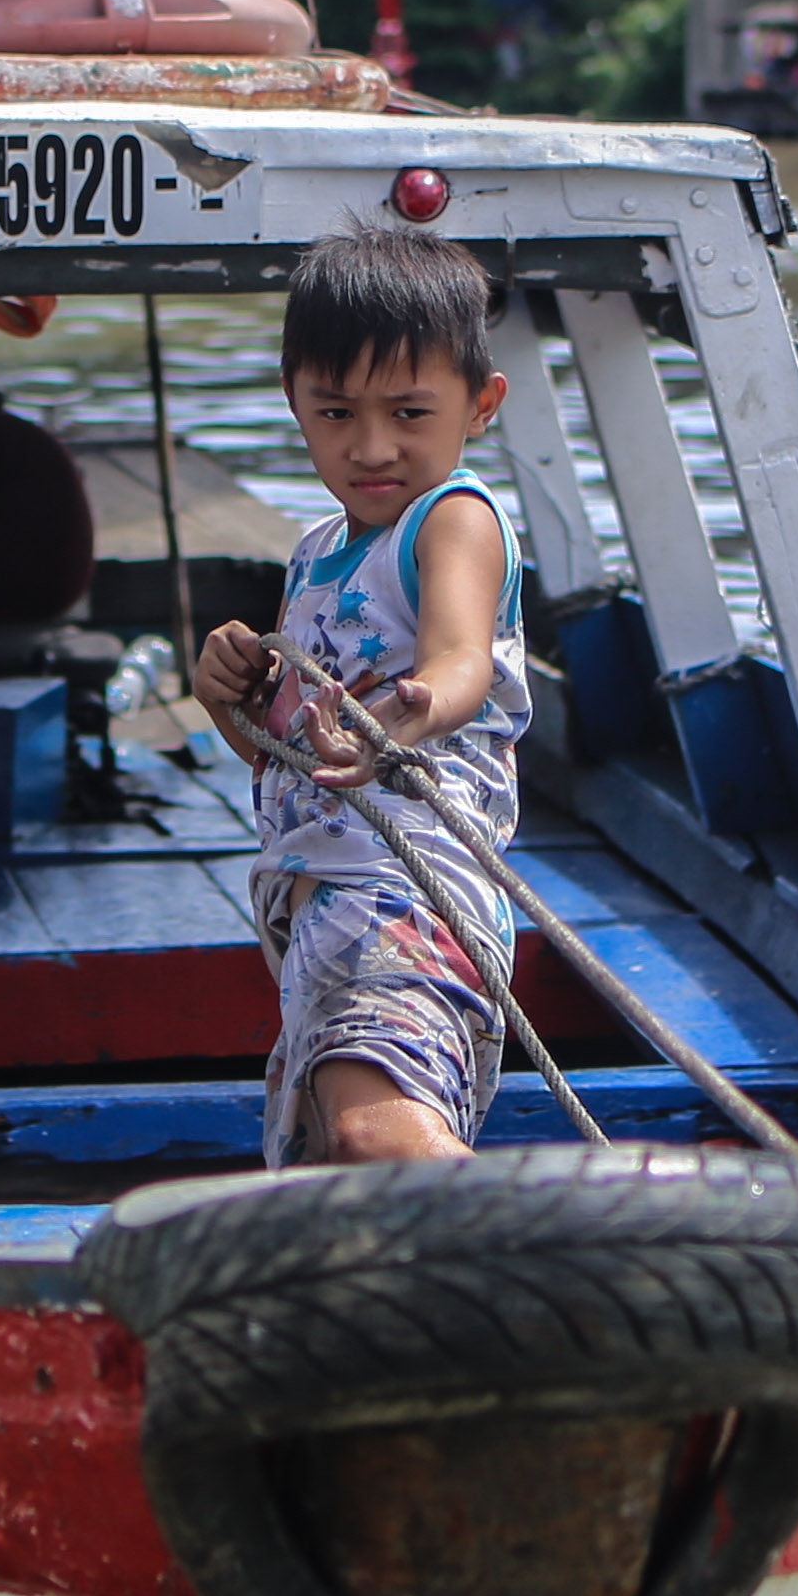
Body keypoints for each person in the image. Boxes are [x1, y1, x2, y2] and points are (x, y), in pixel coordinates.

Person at [190, 226, 529, 1168]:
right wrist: (227, 696)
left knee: (372, 1133)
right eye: (335, 412)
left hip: (403, 891)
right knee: (333, 1161)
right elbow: (287, 753)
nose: (372, 447)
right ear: (293, 400)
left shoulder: (451, 520)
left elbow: (459, 661)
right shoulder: (313, 553)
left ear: (480, 404)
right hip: (317, 904)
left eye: (410, 413)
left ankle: (565, 1245)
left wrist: (404, 718)